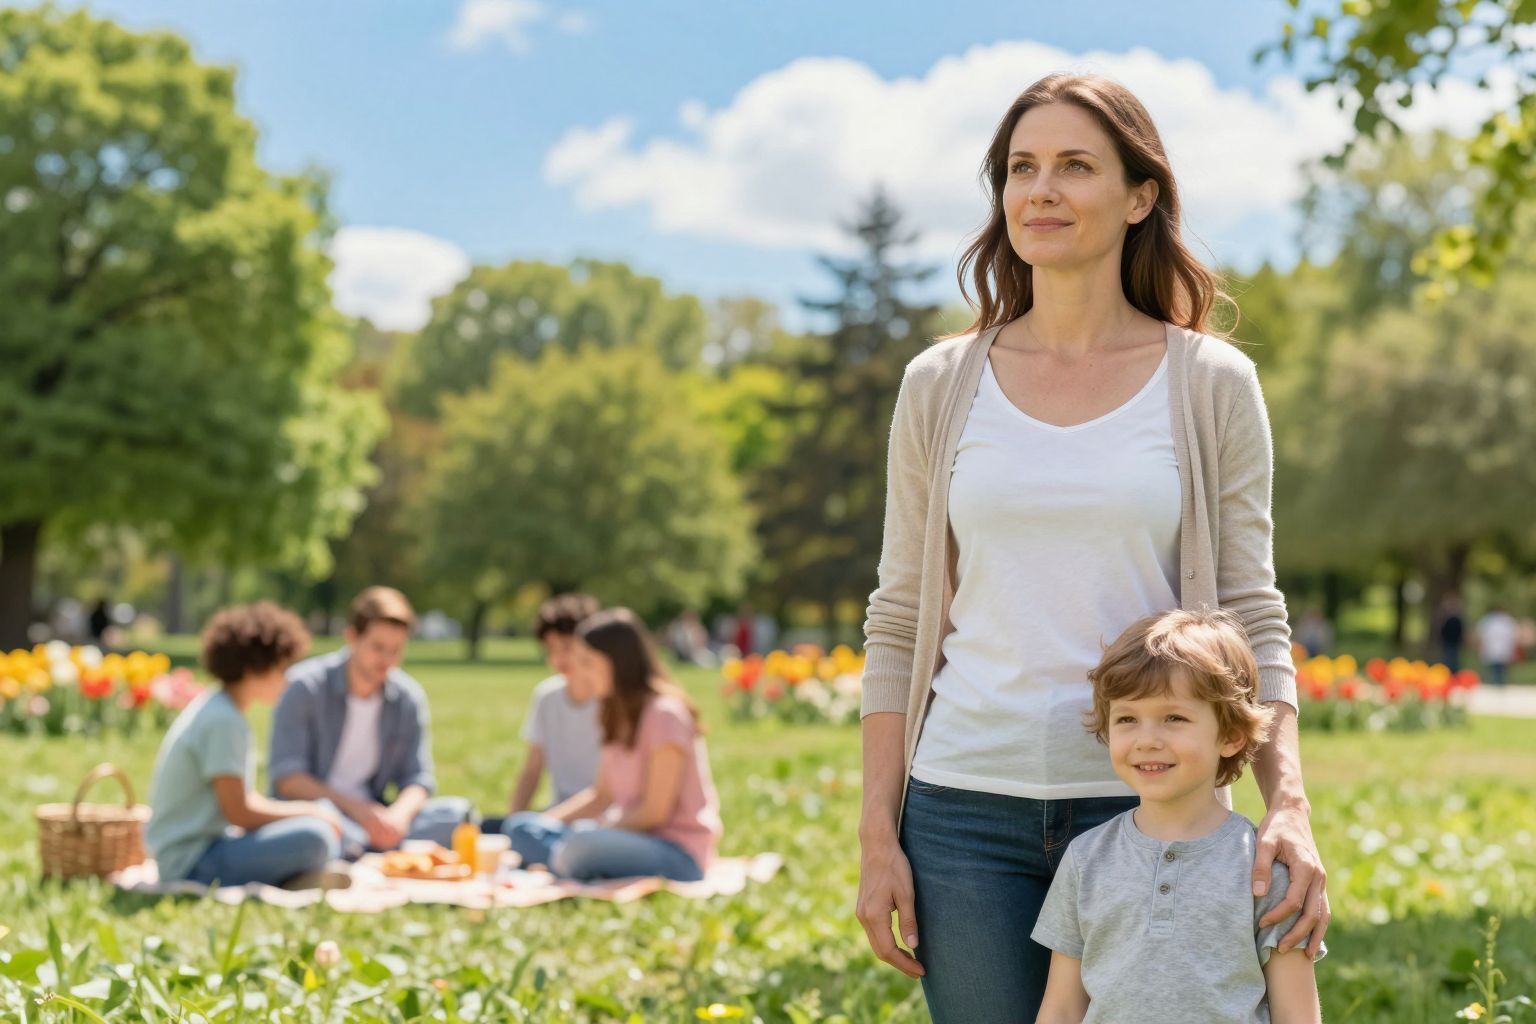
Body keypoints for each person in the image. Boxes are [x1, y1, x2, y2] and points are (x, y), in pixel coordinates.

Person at [855, 73, 1327, 1022]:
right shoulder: (941, 383)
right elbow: (899, 616)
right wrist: (879, 834)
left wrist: (1289, 805)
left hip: (1155, 806)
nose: (1042, 190)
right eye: (1022, 168)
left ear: (1139, 196)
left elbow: (1252, 610)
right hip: (961, 811)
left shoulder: (1211, 384)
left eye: (1076, 166)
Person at [1033, 609, 1323, 1023]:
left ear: (1230, 735)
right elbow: (1061, 1008)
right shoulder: (1085, 860)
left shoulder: (1264, 869)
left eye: (1174, 718)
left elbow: (1298, 1014)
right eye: (1128, 719)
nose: (1147, 740)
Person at [501, 608, 722, 882]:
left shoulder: (665, 714)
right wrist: (548, 822)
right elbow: (601, 795)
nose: (580, 672)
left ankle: (567, 857)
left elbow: (655, 812)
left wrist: (595, 829)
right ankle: (567, 857)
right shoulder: (613, 713)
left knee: (580, 846)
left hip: (675, 850)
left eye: (587, 662)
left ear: (615, 663)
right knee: (521, 828)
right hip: (618, 835)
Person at [146, 603, 347, 888]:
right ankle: (294, 877)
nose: (286, 679)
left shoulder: (219, 708)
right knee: (317, 836)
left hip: (206, 849)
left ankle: (294, 876)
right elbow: (240, 812)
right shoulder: (224, 720)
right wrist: (310, 811)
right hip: (191, 863)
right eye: (281, 668)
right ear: (255, 668)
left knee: (321, 821)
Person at [268, 586, 471, 856]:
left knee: (459, 816)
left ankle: (359, 848)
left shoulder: (407, 698)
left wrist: (396, 818)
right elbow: (288, 778)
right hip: (317, 811)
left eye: (396, 650)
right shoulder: (304, 687)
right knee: (316, 833)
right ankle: (358, 845)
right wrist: (359, 811)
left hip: (377, 816)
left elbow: (418, 779)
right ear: (352, 637)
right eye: (378, 647)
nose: (387, 659)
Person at [505, 594, 604, 815]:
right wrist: (512, 821)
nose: (558, 659)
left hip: (603, 813)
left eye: (566, 647)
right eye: (551, 649)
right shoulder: (547, 696)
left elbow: (610, 790)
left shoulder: (611, 700)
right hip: (559, 811)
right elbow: (532, 770)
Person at [1474, 603, 1519, 687]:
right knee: (1495, 666)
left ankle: (1498, 682)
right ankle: (1496, 682)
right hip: (1494, 647)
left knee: (1498, 666)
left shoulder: (1490, 620)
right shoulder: (1503, 620)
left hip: (1499, 647)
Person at [1437, 592, 1465, 673]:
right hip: (1448, 642)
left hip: (1453, 642)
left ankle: (1453, 675)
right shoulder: (1447, 617)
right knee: (1449, 660)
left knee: (1452, 660)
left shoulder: (1455, 618)